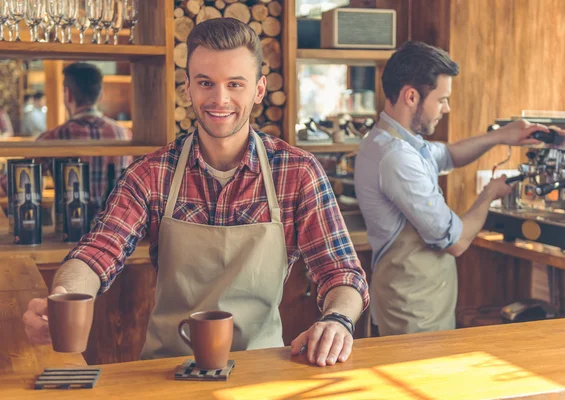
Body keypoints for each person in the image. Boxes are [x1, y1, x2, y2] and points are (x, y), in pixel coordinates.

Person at [22, 18, 369, 367]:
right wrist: (63, 295)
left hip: (260, 369)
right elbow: (97, 252)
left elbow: (342, 272)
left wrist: (338, 319)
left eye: (235, 84)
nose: (220, 99)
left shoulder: (298, 173)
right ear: (188, 88)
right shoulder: (151, 173)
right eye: (206, 83)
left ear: (259, 89)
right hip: (167, 371)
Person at [354, 41, 560, 336]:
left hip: (418, 305)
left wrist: (502, 135)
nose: (447, 109)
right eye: (441, 100)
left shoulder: (396, 142)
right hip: (413, 315)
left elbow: (449, 155)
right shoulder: (396, 157)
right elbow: (456, 241)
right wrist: (489, 195)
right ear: (411, 96)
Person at [0, 63, 133, 206]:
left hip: (70, 227)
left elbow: (12, 186)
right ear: (100, 96)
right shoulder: (124, 134)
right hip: (116, 225)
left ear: (68, 94)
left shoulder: (53, 138)